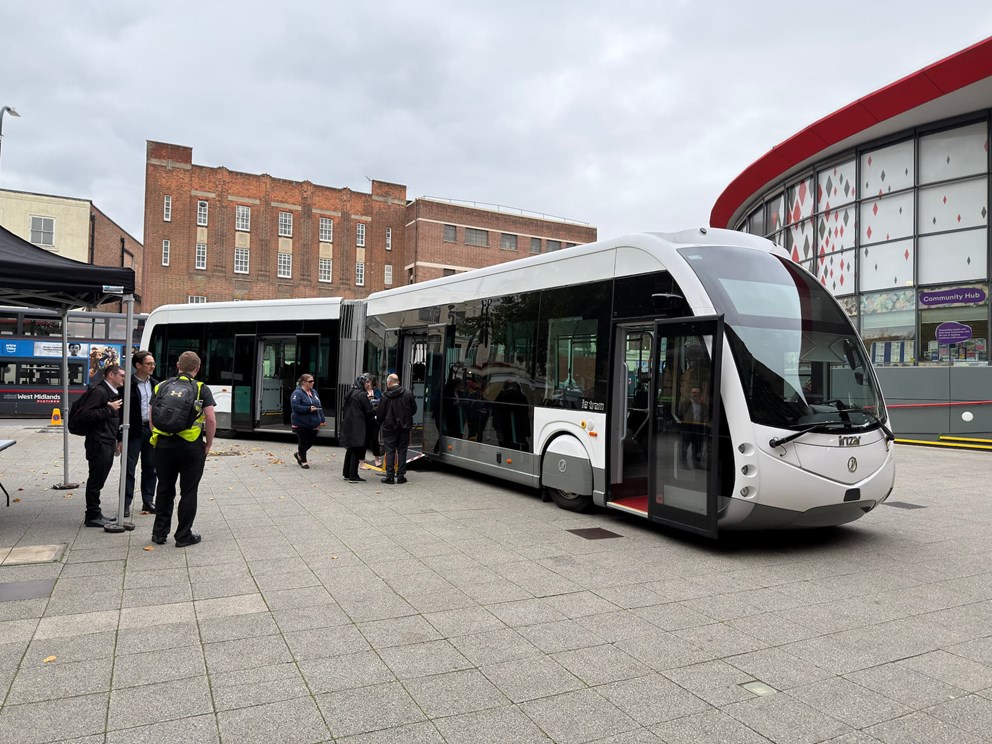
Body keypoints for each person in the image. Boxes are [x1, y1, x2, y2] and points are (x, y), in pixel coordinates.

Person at [149, 351, 215, 547]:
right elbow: (210, 419)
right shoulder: (201, 388)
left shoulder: (161, 386)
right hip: (191, 447)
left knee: (164, 488)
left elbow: (152, 417)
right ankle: (183, 535)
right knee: (188, 491)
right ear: (197, 368)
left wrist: (159, 436)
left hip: (163, 445)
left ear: (178, 365)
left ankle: (159, 534)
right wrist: (208, 444)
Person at [75, 363, 125, 527]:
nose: (124, 378)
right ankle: (92, 515)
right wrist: (108, 409)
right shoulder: (99, 392)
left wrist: (118, 438)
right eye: (121, 375)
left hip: (106, 440)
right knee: (96, 479)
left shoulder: (110, 392)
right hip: (99, 442)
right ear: (111, 375)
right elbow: (85, 415)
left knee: (99, 478)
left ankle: (95, 513)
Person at [123, 350, 158, 516]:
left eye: (153, 363)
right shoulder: (127, 384)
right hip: (132, 431)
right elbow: (120, 410)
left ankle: (148, 501)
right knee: (129, 468)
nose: (153, 366)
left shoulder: (156, 385)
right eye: (149, 363)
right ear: (138, 365)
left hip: (151, 431)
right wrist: (119, 436)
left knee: (151, 467)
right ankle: (125, 503)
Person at [378, 373, 417, 484]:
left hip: (389, 428)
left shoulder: (385, 396)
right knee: (402, 451)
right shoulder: (408, 394)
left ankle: (389, 476)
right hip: (404, 427)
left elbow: (380, 413)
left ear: (389, 383)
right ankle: (401, 476)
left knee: (390, 451)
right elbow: (414, 409)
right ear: (398, 382)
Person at [340, 374, 375, 483]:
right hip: (358, 425)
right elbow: (369, 411)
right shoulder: (362, 394)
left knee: (350, 449)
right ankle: (353, 476)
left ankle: (346, 473)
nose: (368, 384)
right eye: (366, 382)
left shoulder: (352, 392)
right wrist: (376, 408)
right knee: (356, 448)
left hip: (349, 424)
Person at [290, 373, 325, 468]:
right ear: (303, 382)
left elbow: (319, 406)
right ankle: (304, 461)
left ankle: (299, 454)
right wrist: (308, 409)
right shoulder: (297, 393)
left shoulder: (314, 392)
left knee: (310, 442)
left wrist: (322, 419)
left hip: (314, 422)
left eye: (313, 381)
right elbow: (295, 406)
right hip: (301, 423)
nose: (312, 383)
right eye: (310, 381)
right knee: (303, 441)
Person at [677, 386, 709, 468]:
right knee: (685, 446)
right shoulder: (686, 403)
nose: (695, 394)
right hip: (688, 426)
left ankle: (696, 463)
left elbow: (706, 414)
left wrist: (705, 421)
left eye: (697, 393)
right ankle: (684, 463)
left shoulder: (702, 404)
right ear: (691, 394)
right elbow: (680, 413)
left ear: (700, 394)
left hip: (698, 426)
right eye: (694, 392)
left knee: (697, 446)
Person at [366, 376, 383, 467]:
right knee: (364, 439)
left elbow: (381, 402)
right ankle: (361, 458)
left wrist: (374, 400)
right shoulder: (362, 392)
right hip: (365, 418)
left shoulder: (377, 391)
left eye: (369, 382)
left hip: (375, 418)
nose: (368, 384)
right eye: (367, 382)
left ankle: (377, 458)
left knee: (374, 439)